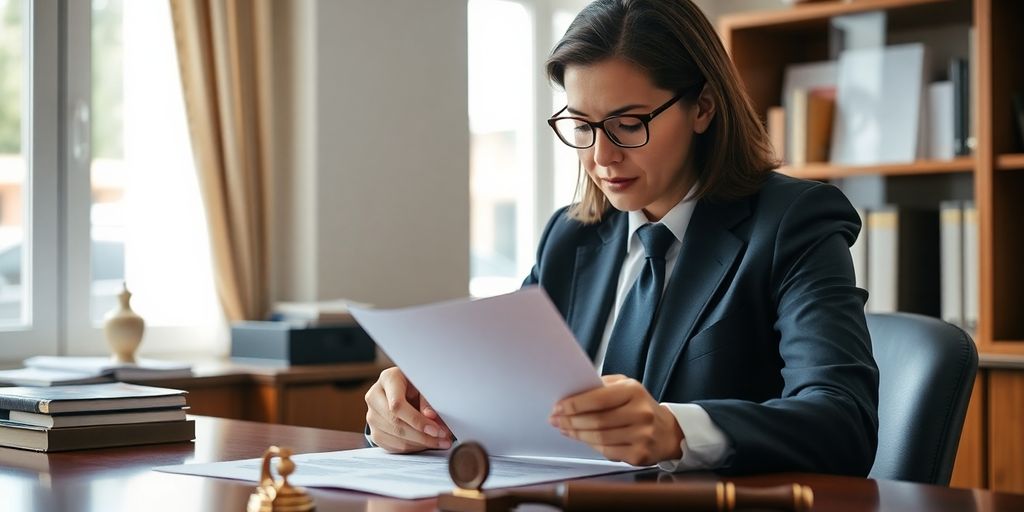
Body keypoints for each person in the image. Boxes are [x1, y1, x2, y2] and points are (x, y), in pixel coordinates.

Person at [364, 0, 878, 476]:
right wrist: (412, 414)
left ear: (703, 107)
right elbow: (501, 395)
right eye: (581, 125)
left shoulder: (794, 222)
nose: (601, 157)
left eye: (628, 124)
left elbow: (842, 420)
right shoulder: (570, 237)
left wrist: (676, 431)